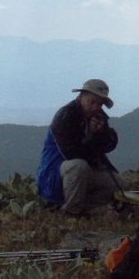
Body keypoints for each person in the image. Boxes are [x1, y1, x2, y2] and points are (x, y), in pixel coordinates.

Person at [36, 79, 125, 216]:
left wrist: (101, 133)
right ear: (81, 97)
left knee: (121, 185)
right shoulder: (65, 115)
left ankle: (80, 205)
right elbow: (71, 152)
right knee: (78, 166)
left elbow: (110, 144)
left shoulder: (98, 117)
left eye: (99, 104)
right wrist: (95, 143)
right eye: (92, 102)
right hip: (55, 171)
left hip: (85, 169)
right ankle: (71, 212)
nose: (95, 107)